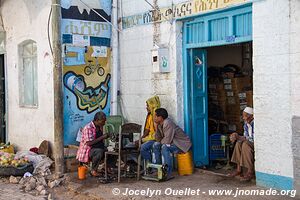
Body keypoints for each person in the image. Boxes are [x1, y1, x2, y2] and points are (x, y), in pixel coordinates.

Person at [153, 108, 192, 178]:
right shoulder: (159, 124)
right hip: (172, 143)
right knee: (156, 145)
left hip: (181, 145)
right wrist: (156, 128)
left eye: (155, 116)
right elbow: (158, 139)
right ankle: (158, 169)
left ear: (160, 117)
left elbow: (167, 140)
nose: (154, 117)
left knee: (165, 147)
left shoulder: (168, 123)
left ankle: (167, 173)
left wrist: (160, 142)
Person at [76, 111, 109, 177]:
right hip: (87, 151)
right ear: (97, 120)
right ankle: (93, 171)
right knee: (99, 151)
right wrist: (102, 137)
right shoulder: (88, 128)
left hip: (95, 149)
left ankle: (106, 168)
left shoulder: (99, 126)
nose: (104, 123)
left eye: (104, 121)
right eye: (103, 121)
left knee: (110, 151)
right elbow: (89, 143)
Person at [228, 107, 254, 181]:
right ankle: (239, 170)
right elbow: (245, 136)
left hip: (255, 143)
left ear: (251, 116)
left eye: (245, 116)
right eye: (243, 116)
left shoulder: (255, 123)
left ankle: (250, 172)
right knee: (238, 143)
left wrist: (241, 138)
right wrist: (237, 136)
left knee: (245, 144)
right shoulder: (246, 124)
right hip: (249, 141)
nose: (243, 118)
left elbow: (254, 138)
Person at [140, 96, 160, 163]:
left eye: (148, 106)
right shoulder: (149, 115)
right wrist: (141, 138)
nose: (146, 107)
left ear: (152, 105)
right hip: (150, 137)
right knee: (132, 145)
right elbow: (147, 130)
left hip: (156, 138)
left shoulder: (157, 116)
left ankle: (150, 165)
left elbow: (157, 135)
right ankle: (145, 166)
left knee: (143, 147)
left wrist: (143, 140)